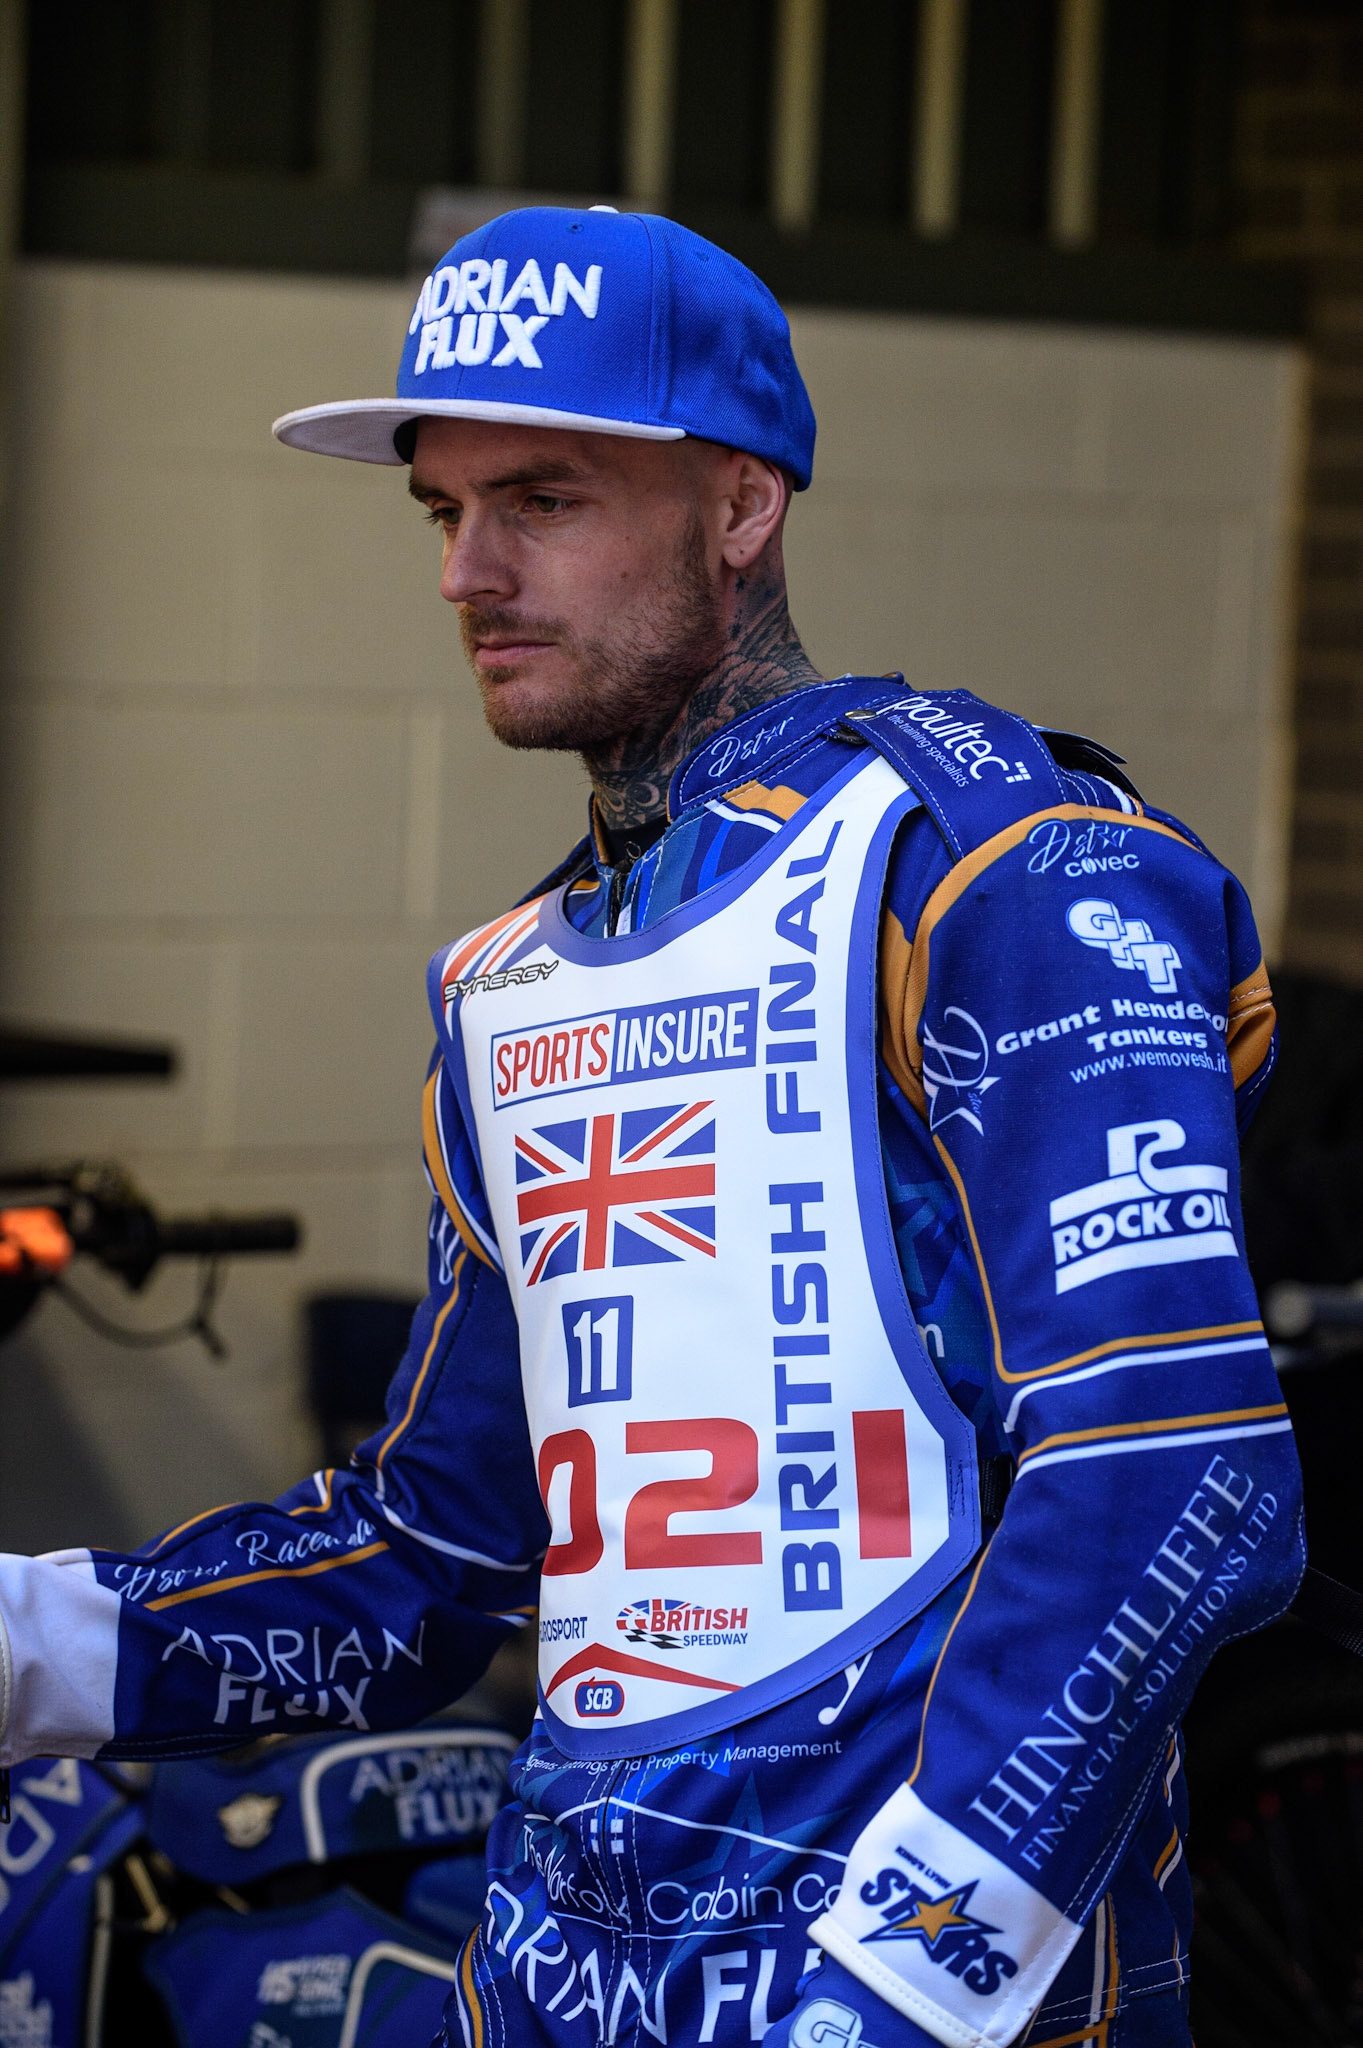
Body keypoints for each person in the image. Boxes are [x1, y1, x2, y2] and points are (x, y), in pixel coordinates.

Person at [0, 207, 1301, 2048]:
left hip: (921, 1993)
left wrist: (910, 1974)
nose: (467, 574)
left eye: (543, 498)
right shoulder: (505, 984)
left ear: (742, 503)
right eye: (441, 512)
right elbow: (432, 1562)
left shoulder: (992, 860)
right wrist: (27, 1645)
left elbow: (1175, 1473)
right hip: (558, 1977)